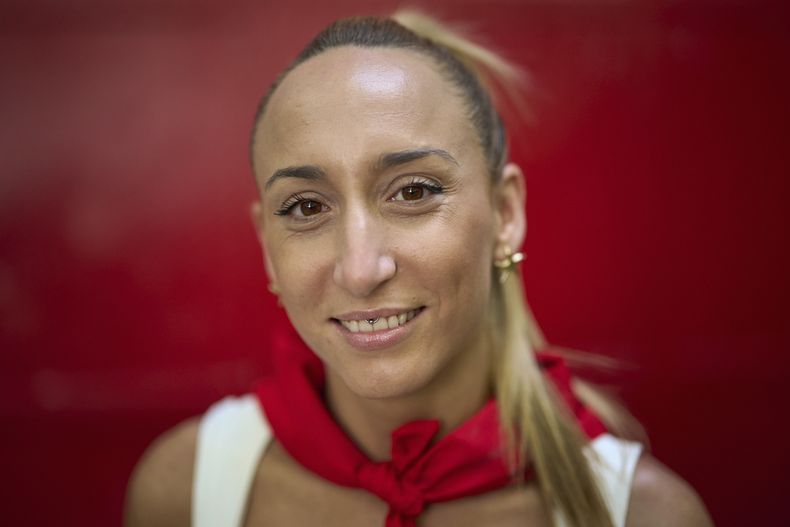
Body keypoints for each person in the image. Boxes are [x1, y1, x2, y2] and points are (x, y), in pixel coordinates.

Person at [124, 10, 713, 527]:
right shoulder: (186, 490)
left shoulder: (643, 515)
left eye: (413, 192)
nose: (361, 269)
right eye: (305, 207)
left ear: (505, 215)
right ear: (266, 248)